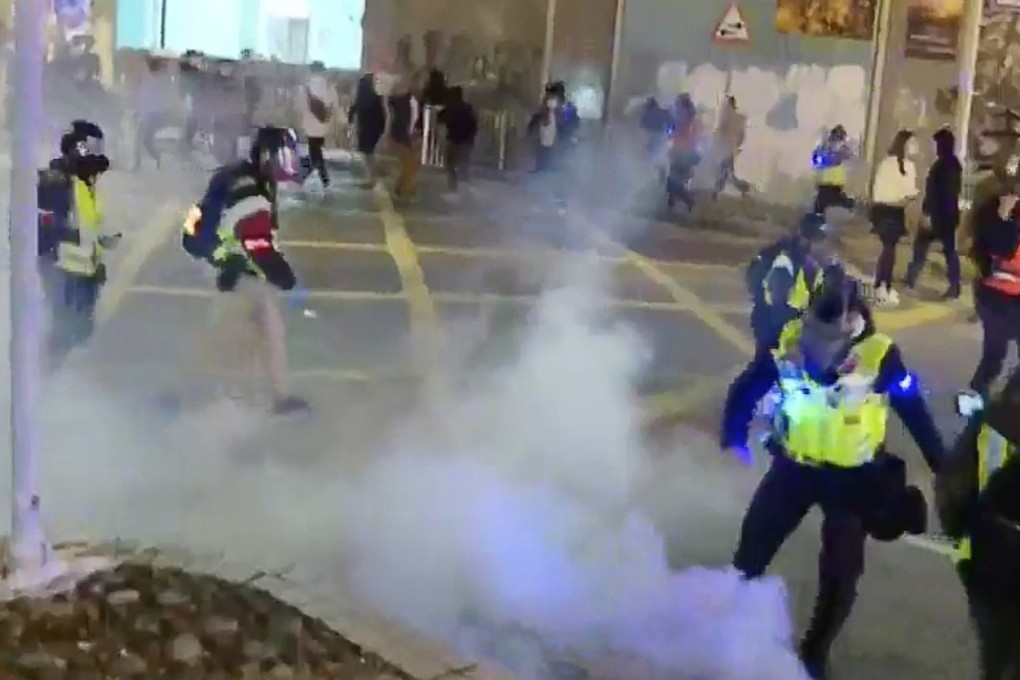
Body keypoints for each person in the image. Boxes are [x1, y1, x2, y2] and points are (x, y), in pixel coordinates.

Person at [721, 279, 943, 680]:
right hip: (794, 468)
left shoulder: (880, 355)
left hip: (854, 479)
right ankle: (725, 626)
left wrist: (942, 464)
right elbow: (750, 382)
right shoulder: (788, 338)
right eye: (811, 332)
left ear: (851, 321)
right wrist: (733, 430)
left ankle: (814, 652)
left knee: (840, 574)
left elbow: (914, 410)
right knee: (751, 549)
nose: (814, 346)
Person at [179, 126, 309, 414]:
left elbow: (197, 221)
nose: (288, 164)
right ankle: (201, 403)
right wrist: (288, 280)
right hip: (237, 273)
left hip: (234, 267)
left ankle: (277, 397)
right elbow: (257, 245)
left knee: (267, 331)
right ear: (267, 157)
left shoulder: (241, 176)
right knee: (231, 339)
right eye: (284, 156)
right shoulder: (250, 189)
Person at [936, 372, 1020, 680]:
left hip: (988, 556)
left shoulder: (990, 420)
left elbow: (953, 487)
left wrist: (964, 538)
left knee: (997, 654)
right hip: (993, 554)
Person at [38, 120, 120, 369]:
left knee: (81, 332)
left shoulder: (85, 184)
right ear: (79, 149)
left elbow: (89, 226)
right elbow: (44, 228)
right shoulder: (57, 182)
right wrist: (48, 261)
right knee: (62, 331)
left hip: (84, 272)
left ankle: (55, 377)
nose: (99, 155)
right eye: (93, 148)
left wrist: (100, 255)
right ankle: (43, 382)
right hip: (63, 269)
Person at [964, 168, 1020, 397]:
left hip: (1015, 296)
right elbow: (1003, 248)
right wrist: (1003, 216)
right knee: (994, 356)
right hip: (996, 296)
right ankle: (975, 403)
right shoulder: (993, 210)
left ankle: (1007, 404)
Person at [746, 212, 837, 350]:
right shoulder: (784, 264)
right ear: (807, 241)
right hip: (777, 336)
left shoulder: (811, 265)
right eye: (821, 240)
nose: (825, 245)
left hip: (795, 335)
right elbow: (778, 309)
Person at [905, 127, 963, 299]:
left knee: (922, 246)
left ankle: (911, 278)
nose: (935, 148)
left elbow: (937, 193)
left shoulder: (943, 166)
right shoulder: (953, 164)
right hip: (948, 215)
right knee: (948, 251)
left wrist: (928, 212)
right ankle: (954, 286)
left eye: (937, 144)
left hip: (939, 216)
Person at [869, 130, 920, 307]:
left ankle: (882, 284)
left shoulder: (901, 164)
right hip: (887, 209)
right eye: (913, 143)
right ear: (904, 144)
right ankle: (883, 286)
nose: (916, 147)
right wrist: (908, 196)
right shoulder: (893, 164)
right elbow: (898, 192)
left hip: (891, 210)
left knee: (889, 248)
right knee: (889, 249)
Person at [300, 60, 338, 189]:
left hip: (310, 125)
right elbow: (334, 105)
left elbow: (302, 106)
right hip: (323, 124)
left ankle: (321, 177)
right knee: (317, 150)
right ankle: (319, 176)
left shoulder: (307, 86)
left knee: (314, 151)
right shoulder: (329, 86)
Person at [438, 85, 478, 194]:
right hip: (466, 142)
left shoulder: (450, 108)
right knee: (463, 164)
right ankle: (464, 189)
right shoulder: (468, 108)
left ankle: (453, 186)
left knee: (450, 165)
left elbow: (440, 118)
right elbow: (474, 124)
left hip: (454, 140)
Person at [348, 73, 386, 188]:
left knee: (368, 155)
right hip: (375, 129)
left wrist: (350, 122)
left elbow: (352, 111)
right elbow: (382, 114)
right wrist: (382, 129)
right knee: (370, 153)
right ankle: (377, 172)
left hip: (365, 129)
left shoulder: (360, 97)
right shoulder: (377, 97)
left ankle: (372, 179)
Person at [388, 76, 421, 199]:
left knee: (412, 164)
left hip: (406, 137)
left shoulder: (416, 102)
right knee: (410, 164)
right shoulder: (404, 101)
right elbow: (401, 122)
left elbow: (414, 121)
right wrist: (408, 140)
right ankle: (404, 189)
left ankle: (402, 187)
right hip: (400, 137)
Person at [666, 93, 700, 212]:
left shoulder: (683, 118)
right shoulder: (692, 119)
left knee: (673, 182)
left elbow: (673, 133)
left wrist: (671, 133)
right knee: (675, 181)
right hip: (684, 153)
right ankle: (677, 203)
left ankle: (689, 201)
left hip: (680, 153)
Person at [713, 95, 751, 199]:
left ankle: (717, 191)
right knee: (727, 172)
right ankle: (743, 188)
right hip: (729, 148)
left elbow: (720, 132)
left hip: (727, 149)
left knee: (724, 171)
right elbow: (741, 135)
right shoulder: (737, 118)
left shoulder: (728, 117)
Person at [812, 125, 855, 214]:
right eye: (839, 138)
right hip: (827, 189)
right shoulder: (827, 151)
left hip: (834, 190)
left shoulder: (841, 151)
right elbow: (819, 160)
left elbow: (850, 155)